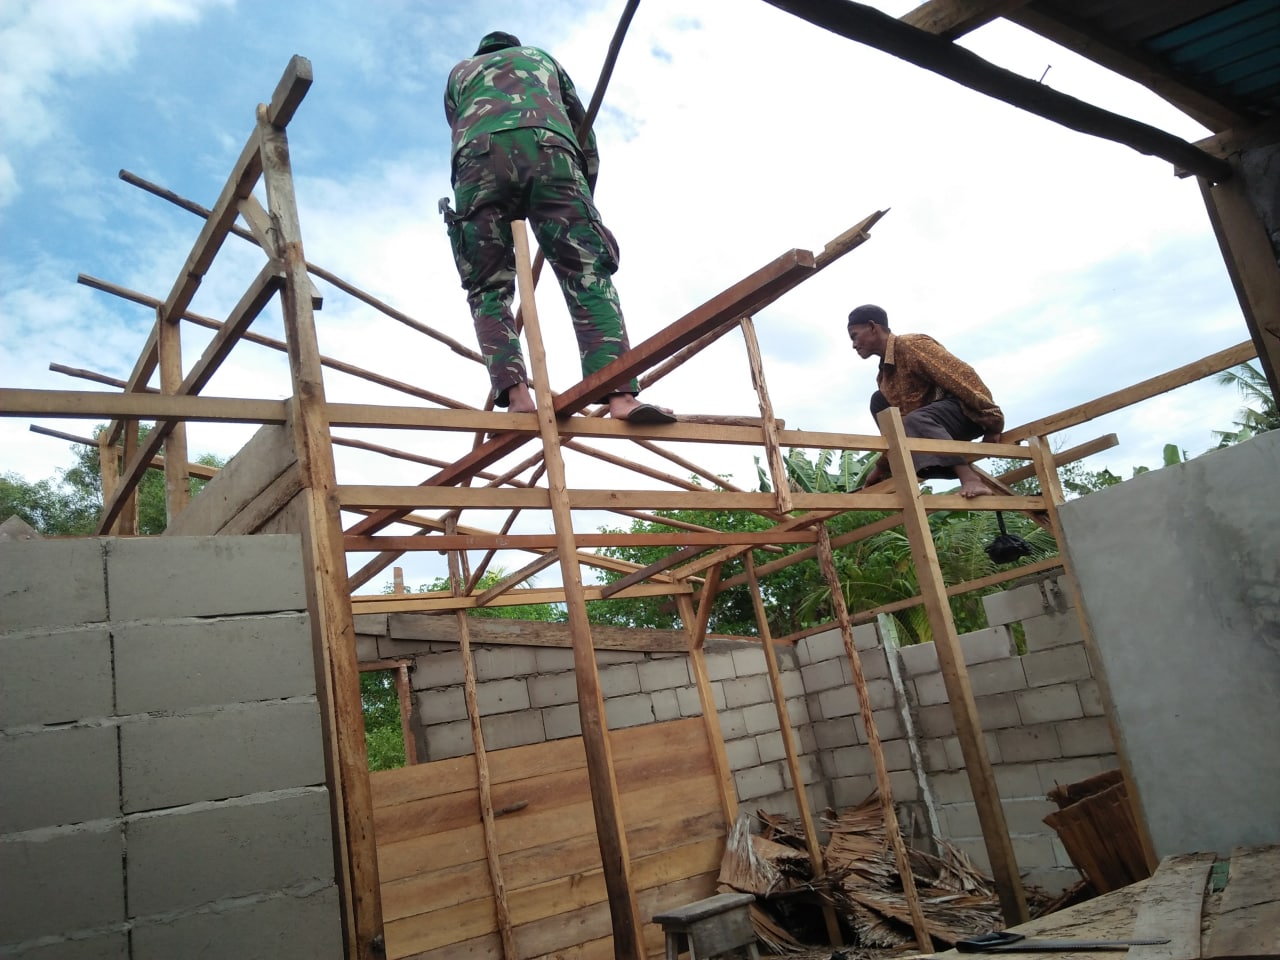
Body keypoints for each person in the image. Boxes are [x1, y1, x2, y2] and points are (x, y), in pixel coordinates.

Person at [443, 31, 674, 423]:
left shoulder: (459, 74)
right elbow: (583, 130)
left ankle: (517, 398)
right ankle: (620, 397)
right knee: (586, 272)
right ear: (514, 47)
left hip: (476, 162)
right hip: (550, 151)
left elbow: (459, 124)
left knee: (487, 288)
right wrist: (579, 209)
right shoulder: (540, 58)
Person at [846, 304, 1003, 498]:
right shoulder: (884, 377)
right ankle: (914, 464)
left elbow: (963, 378)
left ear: (872, 327)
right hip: (930, 429)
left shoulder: (912, 345)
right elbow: (900, 428)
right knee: (878, 401)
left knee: (915, 420)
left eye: (854, 336)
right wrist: (881, 468)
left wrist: (993, 424)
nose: (854, 345)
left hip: (964, 414)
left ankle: (970, 478)